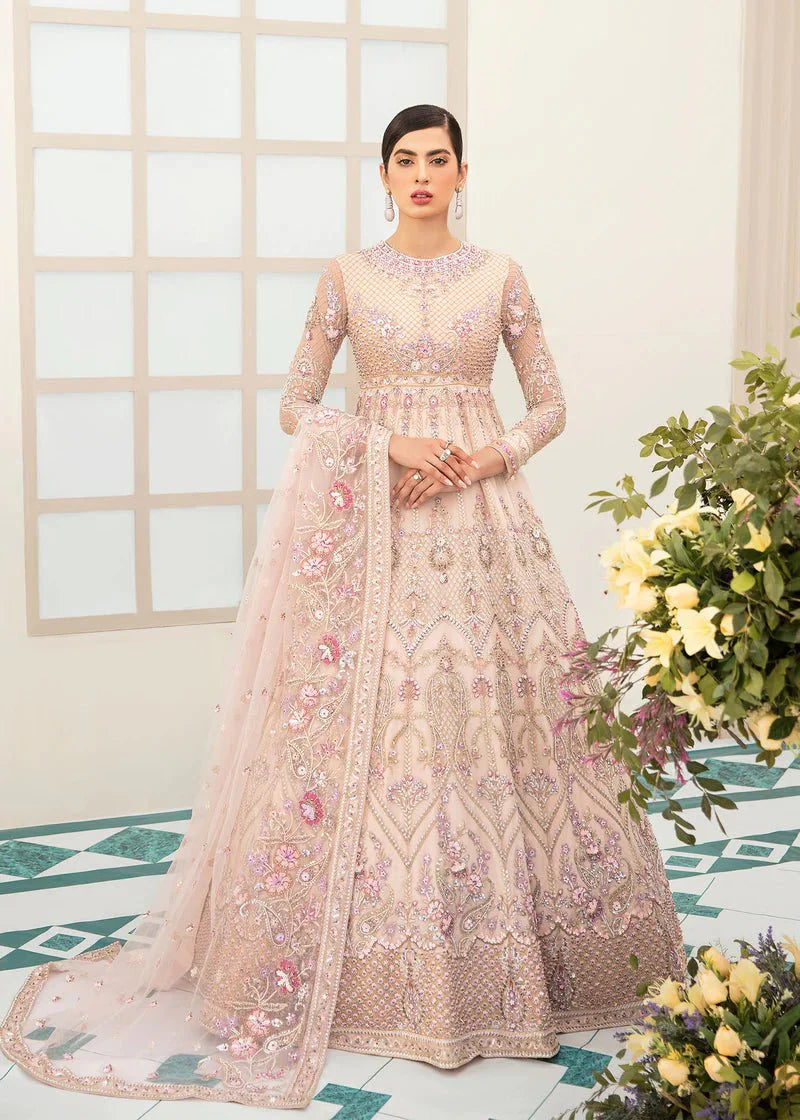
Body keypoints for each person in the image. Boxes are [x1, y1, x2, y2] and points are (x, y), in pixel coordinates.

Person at [0, 103, 686, 1110]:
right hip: (377, 523)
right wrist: (387, 445)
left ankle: (522, 962)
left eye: (437, 159)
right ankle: (361, 967)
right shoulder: (347, 276)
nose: (421, 174)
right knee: (380, 723)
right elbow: (297, 403)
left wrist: (483, 457)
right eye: (404, 160)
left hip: (484, 522)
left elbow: (549, 402)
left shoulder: (501, 274)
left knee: (490, 720)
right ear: (384, 175)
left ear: (462, 173)